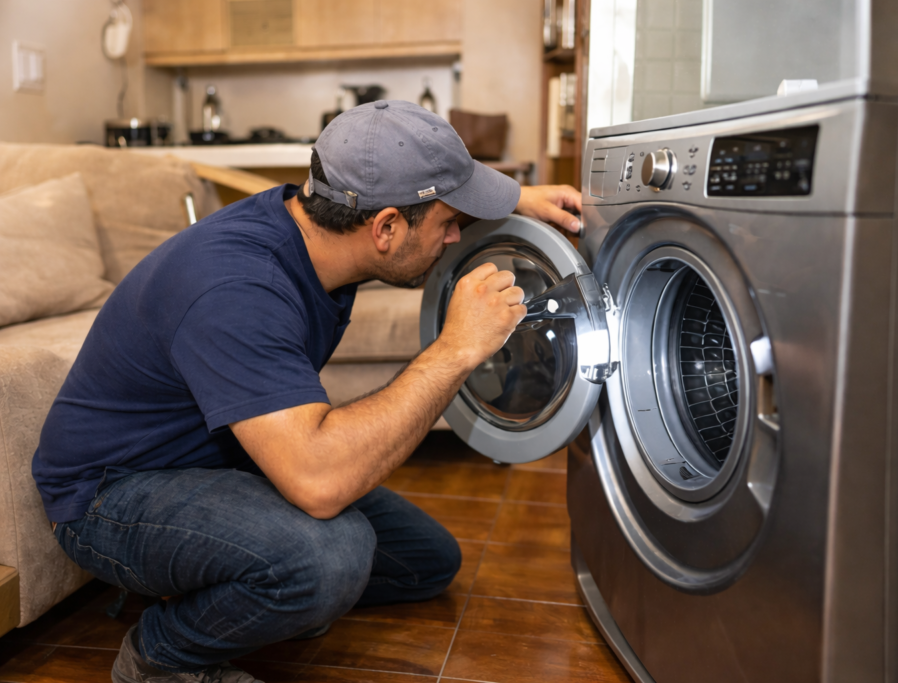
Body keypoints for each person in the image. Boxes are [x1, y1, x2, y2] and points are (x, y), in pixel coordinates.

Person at [32, 100, 582, 683]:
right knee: (329, 557)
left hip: (220, 457)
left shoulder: (315, 226)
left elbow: (421, 211)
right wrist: (456, 349)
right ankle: (160, 657)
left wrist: (515, 201)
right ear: (385, 228)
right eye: (449, 221)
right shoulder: (238, 289)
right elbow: (319, 482)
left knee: (426, 562)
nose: (454, 235)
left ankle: (250, 591)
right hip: (112, 493)